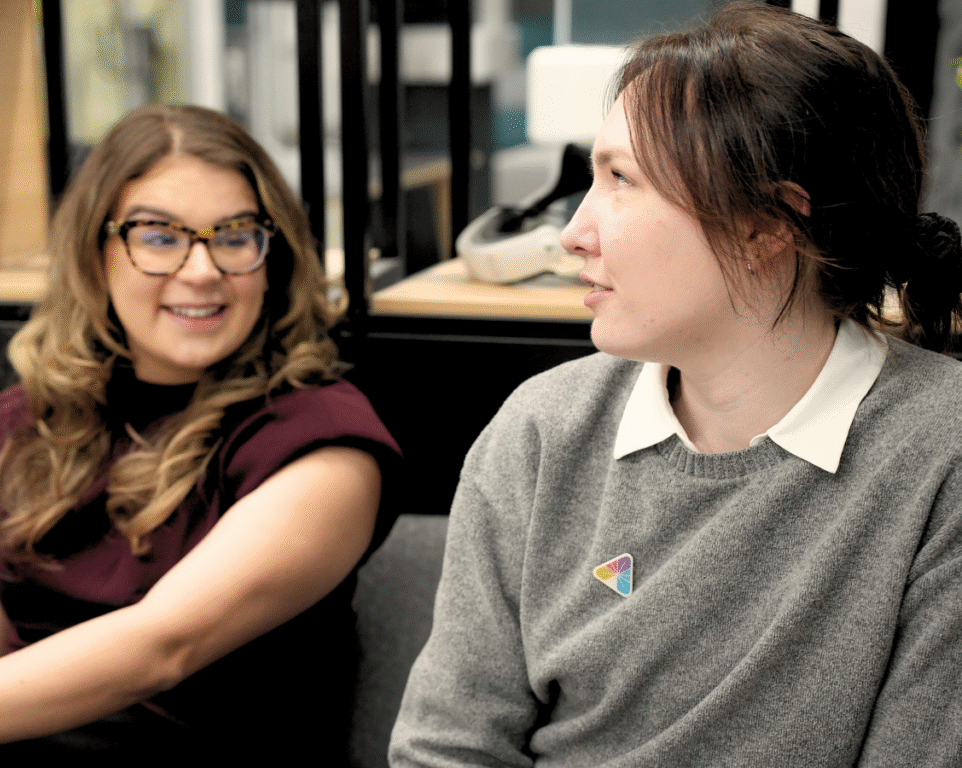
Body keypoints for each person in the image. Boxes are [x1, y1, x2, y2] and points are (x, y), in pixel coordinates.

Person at [390, 3, 962, 766]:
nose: (573, 232)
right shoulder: (542, 429)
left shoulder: (941, 455)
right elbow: (446, 747)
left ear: (767, 224)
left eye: (620, 180)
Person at [0, 104, 400, 764]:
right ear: (97, 255)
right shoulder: (25, 425)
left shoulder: (324, 443)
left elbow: (158, 650)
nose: (202, 269)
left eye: (235, 235)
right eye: (158, 236)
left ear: (273, 256)